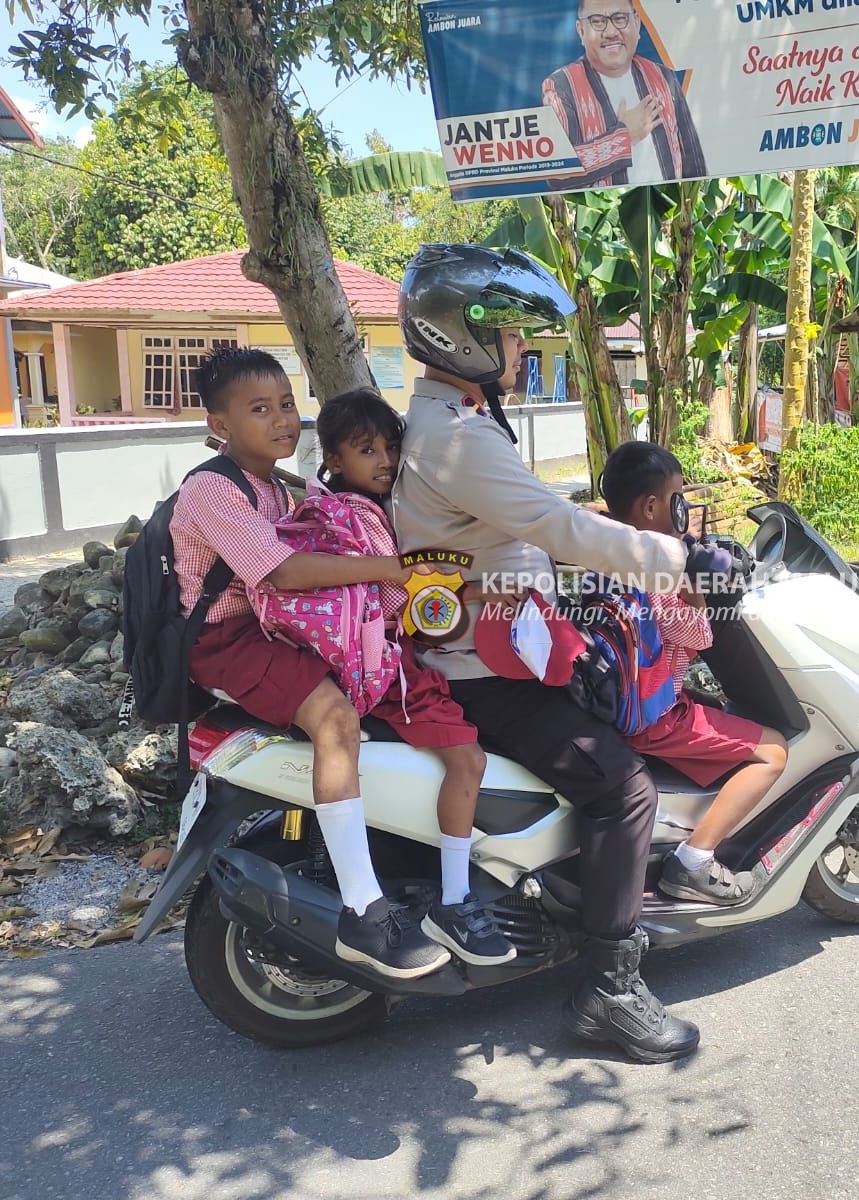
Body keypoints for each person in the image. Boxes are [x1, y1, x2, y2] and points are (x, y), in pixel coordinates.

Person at [391, 244, 733, 1064]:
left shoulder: (453, 422)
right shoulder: (456, 435)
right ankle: (609, 991)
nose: (518, 348)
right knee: (624, 788)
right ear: (461, 337)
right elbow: (558, 529)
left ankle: (569, 894)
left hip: (497, 647)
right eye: (507, 333)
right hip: (484, 671)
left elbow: (534, 514)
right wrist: (682, 557)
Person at [171, 347, 448, 982]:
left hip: (272, 625)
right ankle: (363, 910)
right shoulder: (212, 490)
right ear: (219, 423)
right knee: (335, 719)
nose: (281, 421)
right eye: (259, 409)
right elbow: (284, 573)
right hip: (230, 639)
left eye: (287, 405)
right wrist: (396, 570)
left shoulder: (273, 486)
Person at [315, 387, 513, 967]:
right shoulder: (361, 519)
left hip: (375, 660)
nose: (383, 460)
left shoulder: (368, 511)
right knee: (468, 758)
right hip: (386, 670)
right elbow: (407, 602)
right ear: (333, 460)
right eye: (365, 450)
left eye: (391, 447)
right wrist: (488, 589)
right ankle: (455, 899)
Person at [598, 441, 789, 905]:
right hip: (655, 713)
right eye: (676, 500)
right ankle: (694, 861)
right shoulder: (656, 567)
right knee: (775, 753)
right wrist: (698, 590)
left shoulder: (604, 544)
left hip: (625, 696)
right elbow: (700, 635)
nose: (683, 509)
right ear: (650, 507)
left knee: (718, 708)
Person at [542, 0, 706, 189]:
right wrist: (623, 137)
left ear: (636, 23)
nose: (611, 32)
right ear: (581, 31)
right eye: (597, 21)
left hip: (672, 215)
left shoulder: (663, 78)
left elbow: (694, 166)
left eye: (620, 19)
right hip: (611, 217)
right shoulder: (561, 86)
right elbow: (558, 171)